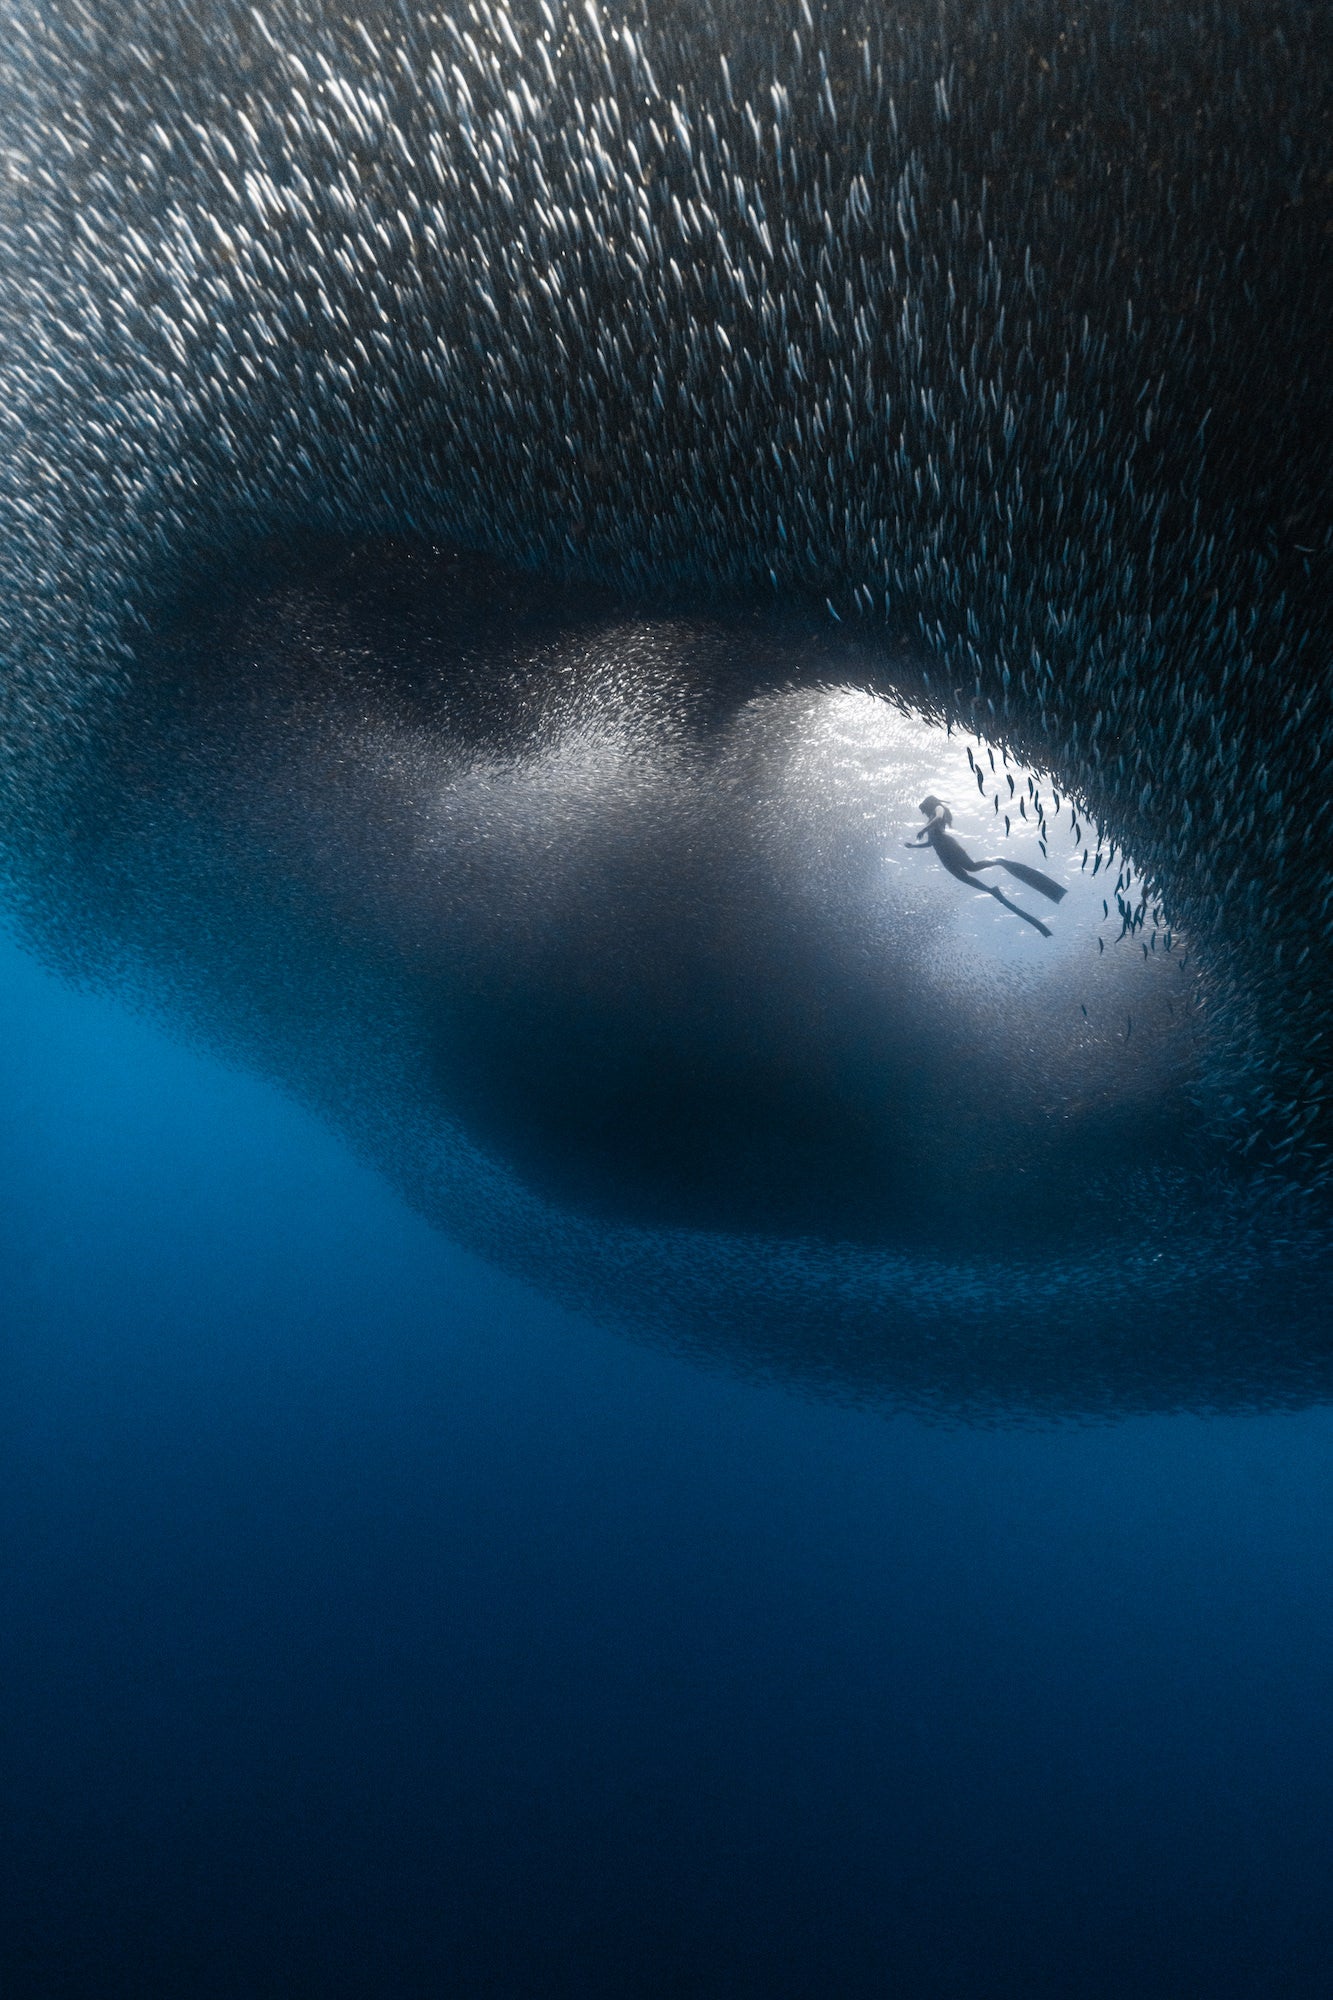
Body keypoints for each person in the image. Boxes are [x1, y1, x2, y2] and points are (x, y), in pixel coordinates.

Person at [904, 796, 1066, 936]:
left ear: (928, 804)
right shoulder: (930, 821)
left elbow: (939, 818)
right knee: (962, 877)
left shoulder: (938, 810)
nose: (923, 813)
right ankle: (990, 890)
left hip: (949, 846)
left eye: (923, 809)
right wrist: (913, 846)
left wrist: (924, 829)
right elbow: (930, 843)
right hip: (942, 853)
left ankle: (999, 862)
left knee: (972, 867)